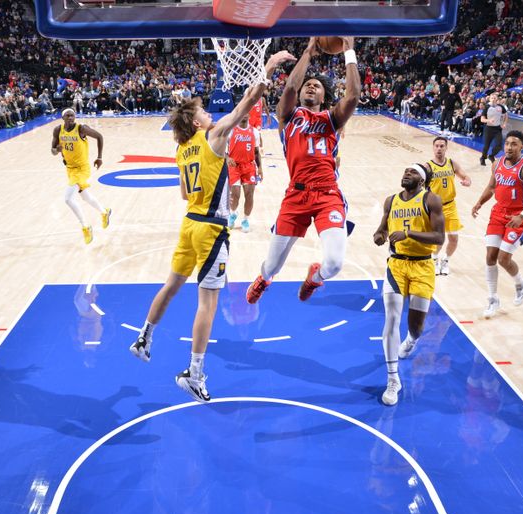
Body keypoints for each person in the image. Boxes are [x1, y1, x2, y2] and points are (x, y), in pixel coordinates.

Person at [129, 50, 295, 403]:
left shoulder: (182, 149)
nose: (209, 113)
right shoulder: (213, 136)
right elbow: (249, 101)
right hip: (211, 230)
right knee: (207, 304)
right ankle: (195, 373)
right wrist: (268, 66)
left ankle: (144, 338)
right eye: (203, 111)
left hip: (189, 223)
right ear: (195, 122)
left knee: (171, 286)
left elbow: (184, 192)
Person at [246, 36, 361, 304]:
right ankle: (264, 279)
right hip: (295, 196)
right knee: (272, 265)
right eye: (308, 84)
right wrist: (308, 51)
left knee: (334, 263)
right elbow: (288, 89)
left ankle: (315, 279)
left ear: (325, 96)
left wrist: (350, 52)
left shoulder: (333, 119)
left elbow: (353, 95)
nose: (311, 86)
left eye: (317, 85)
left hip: (327, 195)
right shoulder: (288, 117)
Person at [373, 164, 444, 406]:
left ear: (422, 180)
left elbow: (439, 237)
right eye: (404, 170)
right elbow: (382, 229)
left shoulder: (431, 200)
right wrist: (379, 236)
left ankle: (412, 340)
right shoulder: (391, 201)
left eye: (412, 172)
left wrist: (410, 234)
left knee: (416, 326)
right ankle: (393, 379)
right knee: (391, 319)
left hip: (423, 266)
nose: (406, 174)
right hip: (396, 265)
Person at [471, 130, 523, 319]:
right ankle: (492, 298)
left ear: (522, 147)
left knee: (504, 259)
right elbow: (492, 187)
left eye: (514, 144)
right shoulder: (497, 163)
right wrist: (480, 202)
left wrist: (522, 215)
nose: (509, 147)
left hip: (516, 217)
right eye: (507, 143)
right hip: (498, 213)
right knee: (490, 256)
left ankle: (520, 284)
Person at [51, 108, 111, 244]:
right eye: (68, 115)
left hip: (82, 169)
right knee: (85, 196)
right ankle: (104, 212)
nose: (71, 117)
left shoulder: (81, 129)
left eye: (72, 115)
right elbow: (52, 151)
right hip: (70, 169)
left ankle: (85, 226)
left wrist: (99, 157)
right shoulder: (57, 130)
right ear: (63, 118)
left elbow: (99, 137)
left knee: (67, 199)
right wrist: (57, 150)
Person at [426, 136, 472, 275]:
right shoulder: (428, 166)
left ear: (446, 148)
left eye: (442, 146)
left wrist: (467, 181)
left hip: (450, 206)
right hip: (435, 208)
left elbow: (465, 176)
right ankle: (434, 260)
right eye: (437, 146)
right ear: (433, 148)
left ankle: (445, 260)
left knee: (454, 238)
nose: (439, 148)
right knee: (439, 239)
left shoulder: (452, 163)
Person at [227, 116, 263, 233]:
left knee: (249, 194)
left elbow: (256, 152)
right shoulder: (231, 130)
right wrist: (227, 157)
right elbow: (220, 146)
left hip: (249, 166)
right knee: (235, 194)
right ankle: (233, 213)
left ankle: (245, 220)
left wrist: (260, 167)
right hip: (234, 166)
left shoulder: (255, 132)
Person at [479, 93, 507, 166]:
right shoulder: (487, 107)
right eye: (492, 98)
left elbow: (506, 115)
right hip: (489, 128)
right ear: (490, 99)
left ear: (497, 99)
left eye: (495, 98)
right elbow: (482, 119)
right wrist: (489, 120)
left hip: (497, 128)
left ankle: (491, 156)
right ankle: (483, 158)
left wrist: (504, 123)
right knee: (486, 145)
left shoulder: (500, 107)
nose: (493, 99)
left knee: (499, 145)